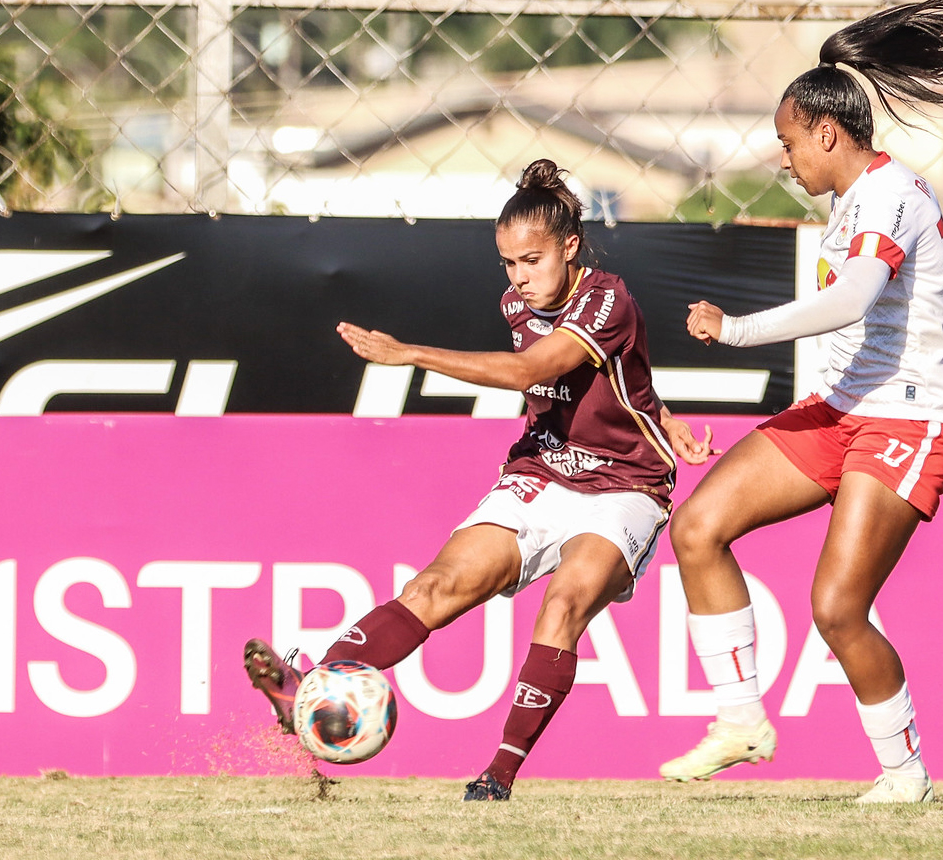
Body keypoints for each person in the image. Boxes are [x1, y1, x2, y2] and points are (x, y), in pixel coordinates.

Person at [244, 158, 716, 801]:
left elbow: (537, 371)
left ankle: (498, 775)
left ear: (570, 247)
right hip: (541, 469)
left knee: (565, 602)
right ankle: (309, 689)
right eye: (509, 264)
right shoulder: (516, 302)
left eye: (533, 260)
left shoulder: (607, 295)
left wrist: (409, 353)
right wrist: (660, 412)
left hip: (624, 486)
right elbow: (606, 380)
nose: (521, 279)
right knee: (436, 585)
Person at [657, 0, 943, 803]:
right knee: (697, 526)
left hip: (907, 415)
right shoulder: (849, 202)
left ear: (826, 132)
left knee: (837, 607)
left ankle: (904, 772)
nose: (783, 159)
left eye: (787, 141)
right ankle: (740, 719)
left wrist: (736, 331)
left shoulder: (891, 195)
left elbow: (851, 301)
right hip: (840, 411)